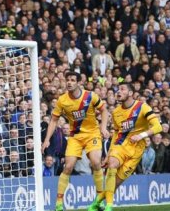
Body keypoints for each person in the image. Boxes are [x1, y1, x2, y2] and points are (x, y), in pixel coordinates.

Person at [88, 83, 162, 211]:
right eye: (117, 89)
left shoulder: (142, 107)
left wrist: (141, 135)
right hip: (120, 145)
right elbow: (117, 133)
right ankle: (109, 206)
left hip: (137, 150)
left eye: (122, 89)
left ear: (131, 93)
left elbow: (158, 127)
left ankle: (97, 202)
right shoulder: (116, 112)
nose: (118, 91)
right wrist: (109, 154)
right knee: (112, 165)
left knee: (115, 183)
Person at [42, 71, 108, 211]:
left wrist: (103, 127)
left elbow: (104, 111)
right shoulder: (62, 100)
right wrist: (47, 139)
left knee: (96, 162)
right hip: (75, 137)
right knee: (68, 166)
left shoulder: (90, 96)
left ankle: (99, 200)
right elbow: (53, 120)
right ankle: (59, 203)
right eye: (68, 80)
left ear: (78, 82)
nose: (69, 82)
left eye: (72, 80)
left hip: (92, 134)